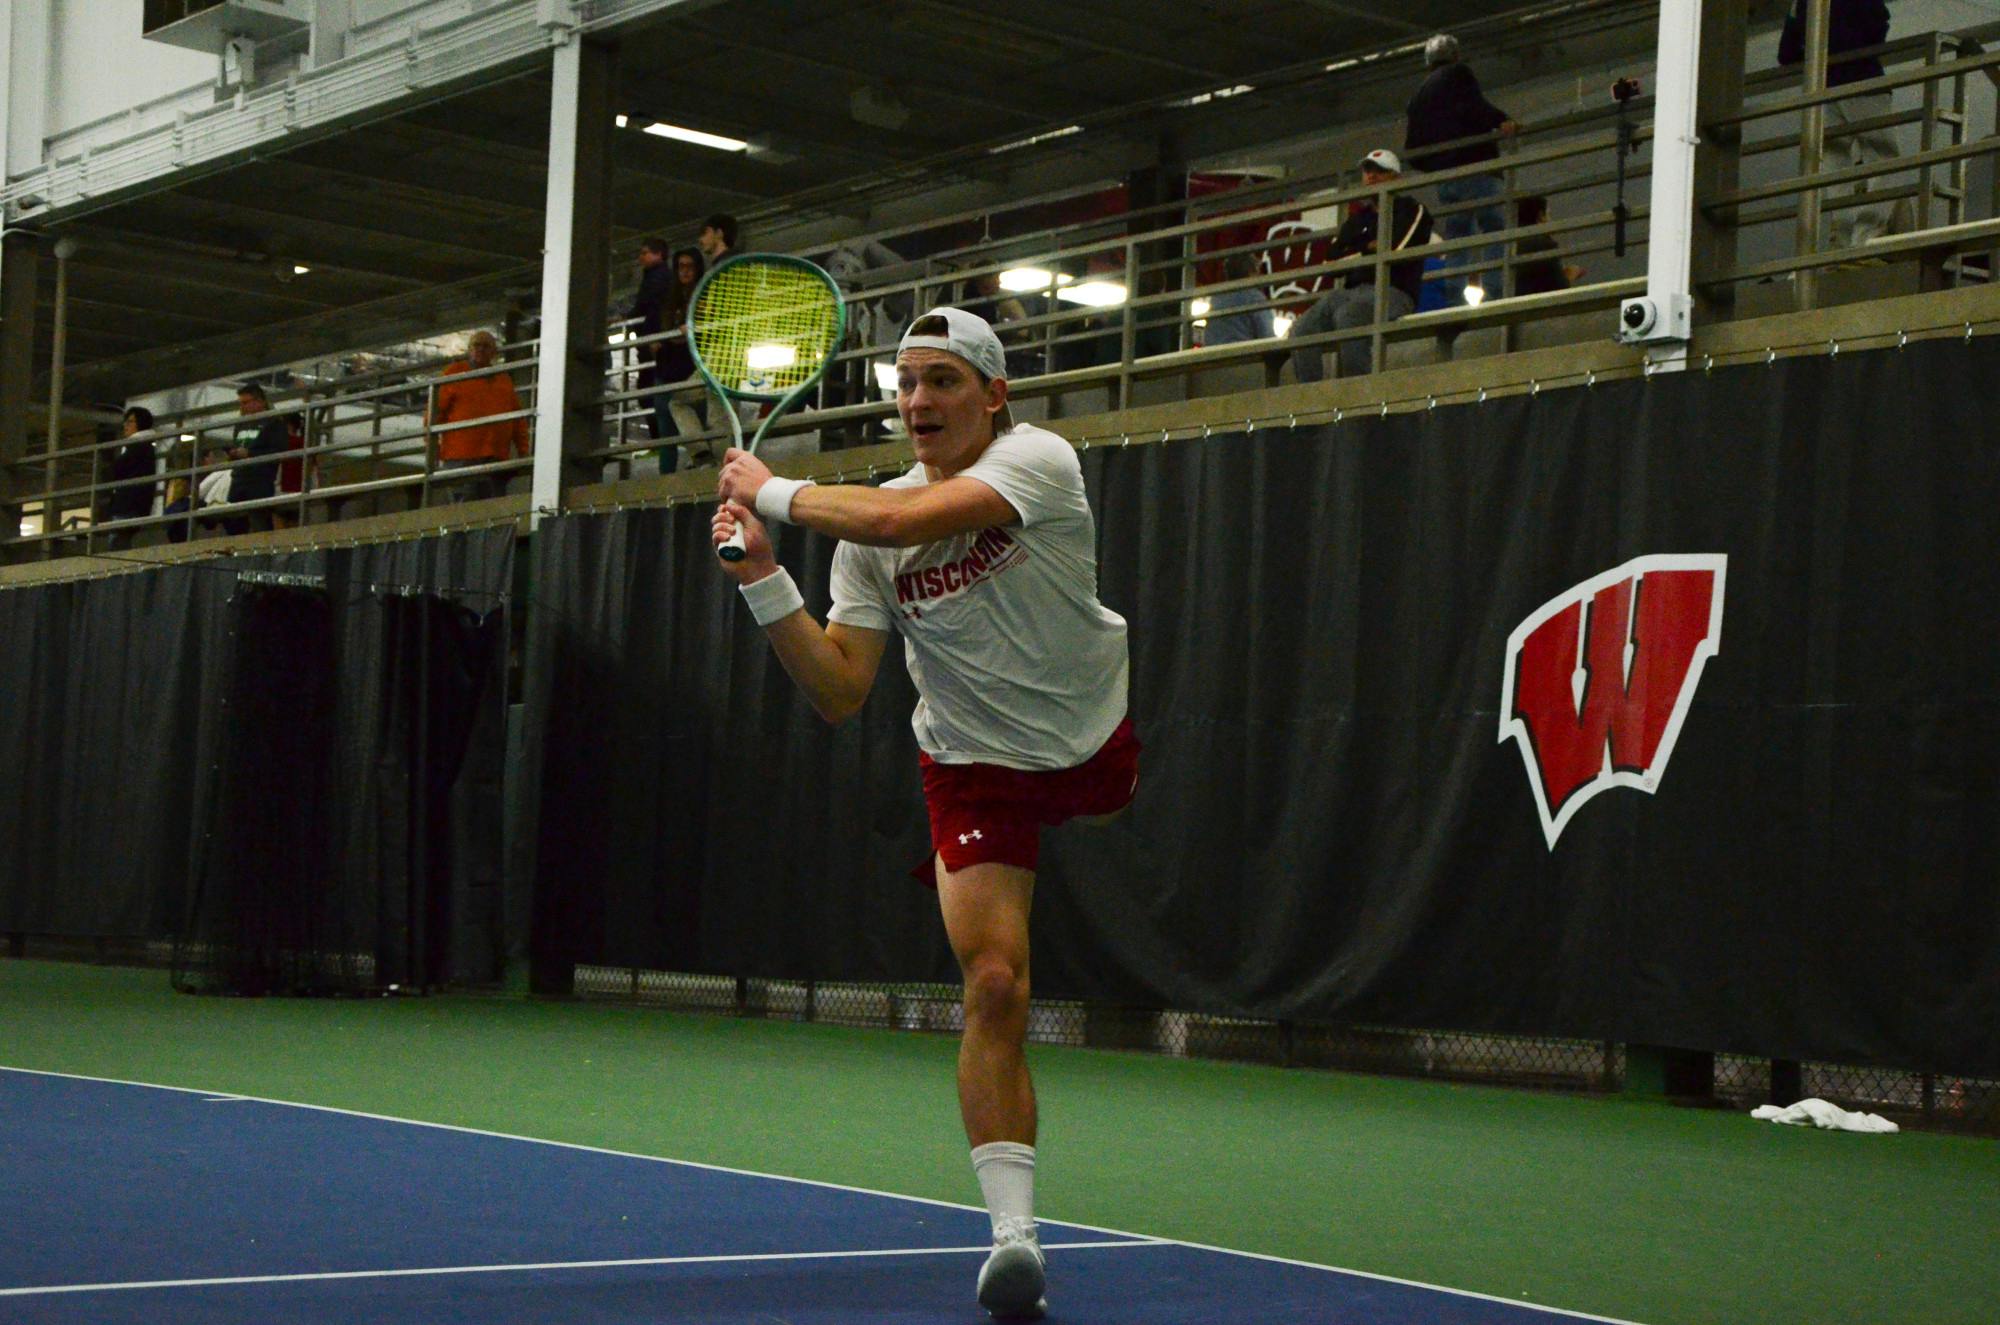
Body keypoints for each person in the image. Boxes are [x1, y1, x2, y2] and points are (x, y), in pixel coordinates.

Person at [711, 307, 1138, 1321]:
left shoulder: (1037, 459)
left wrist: (767, 487)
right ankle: (1014, 1238)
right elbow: (841, 688)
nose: (916, 401)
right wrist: (765, 579)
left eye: (941, 380)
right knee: (993, 981)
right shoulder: (862, 527)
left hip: (1087, 742)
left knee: (1097, 843)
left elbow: (902, 521)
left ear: (992, 395)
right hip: (969, 763)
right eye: (904, 383)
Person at [1288, 150, 1433, 383]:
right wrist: (1368, 249)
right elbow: (1330, 262)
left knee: (1349, 316)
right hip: (1349, 292)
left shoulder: (1412, 209)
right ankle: (1312, 397)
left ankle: (1357, 393)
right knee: (1301, 329)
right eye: (1368, 171)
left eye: (1380, 171)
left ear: (1396, 177)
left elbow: (1395, 250)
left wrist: (1355, 251)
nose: (1372, 176)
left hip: (1393, 291)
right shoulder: (1358, 219)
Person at [1405, 33, 1518, 305]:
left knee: (1458, 237)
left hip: (1447, 179)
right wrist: (1502, 120)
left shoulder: (1418, 95)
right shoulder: (1458, 74)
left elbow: (1413, 149)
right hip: (1476, 168)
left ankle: (1454, 297)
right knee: (1494, 228)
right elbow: (1474, 107)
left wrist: (1437, 165)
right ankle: (1496, 294)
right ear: (1455, 56)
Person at [1778, 0, 1897, 248]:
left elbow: (1786, 55)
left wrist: (1820, 55)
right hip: (1863, 81)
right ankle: (1867, 237)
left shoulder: (1802, 3)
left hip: (1823, 87)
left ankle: (1841, 241)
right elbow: (1878, 24)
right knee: (1882, 157)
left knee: (1835, 167)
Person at [428, 330, 529, 503]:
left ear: (494, 353)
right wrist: (431, 446)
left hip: (495, 457)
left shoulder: (503, 379)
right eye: (477, 345)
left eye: (486, 346)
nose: (480, 349)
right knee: (463, 509)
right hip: (461, 456)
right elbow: (434, 412)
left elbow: (517, 419)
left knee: (493, 509)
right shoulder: (454, 373)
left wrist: (524, 451)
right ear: (469, 349)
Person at [625, 238, 678, 455]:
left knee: (649, 391)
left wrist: (631, 320)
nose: (641, 257)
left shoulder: (656, 280)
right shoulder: (661, 278)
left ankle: (661, 442)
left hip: (652, 344)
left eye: (645, 253)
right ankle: (662, 443)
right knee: (651, 391)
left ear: (659, 255)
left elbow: (647, 307)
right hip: (653, 342)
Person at [660, 246, 711, 464]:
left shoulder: (704, 294)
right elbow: (668, 331)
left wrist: (690, 328)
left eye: (690, 267)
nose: (685, 271)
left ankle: (703, 454)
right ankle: (703, 454)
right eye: (681, 267)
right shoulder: (673, 298)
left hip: (706, 359)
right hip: (683, 364)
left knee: (679, 403)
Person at [227, 383, 289, 532]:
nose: (242, 407)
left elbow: (278, 452)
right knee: (234, 525)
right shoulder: (241, 424)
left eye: (245, 403)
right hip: (239, 479)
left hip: (260, 480)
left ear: (260, 402)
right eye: (240, 403)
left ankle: (262, 554)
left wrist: (250, 454)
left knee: (259, 522)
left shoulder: (274, 423)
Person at [101, 406, 159, 549]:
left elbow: (117, 470)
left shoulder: (138, 446)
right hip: (134, 504)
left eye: (130, 422)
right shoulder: (144, 446)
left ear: (141, 424)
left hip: (127, 504)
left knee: (117, 545)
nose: (125, 425)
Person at [1511, 195, 1585, 296]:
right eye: (1548, 214)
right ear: (1541, 215)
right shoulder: (1544, 244)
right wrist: (1569, 276)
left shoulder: (1508, 244)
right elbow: (1559, 287)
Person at [1201, 253, 1276, 347]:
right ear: (1251, 273)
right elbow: (1267, 335)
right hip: (1244, 356)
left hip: (1215, 356)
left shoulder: (1217, 298)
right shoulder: (1254, 297)